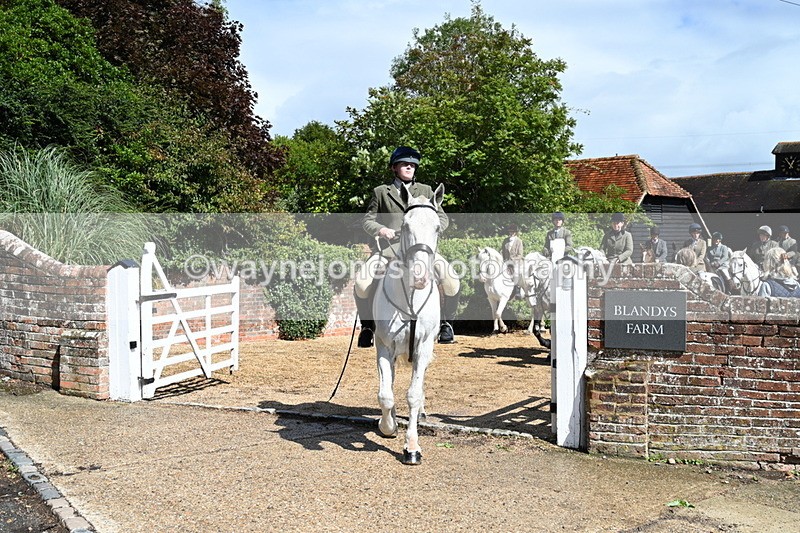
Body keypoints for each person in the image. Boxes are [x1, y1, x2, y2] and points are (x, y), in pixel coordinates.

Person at [354, 146, 460, 348]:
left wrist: (430, 228)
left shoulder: (426, 191)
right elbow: (367, 220)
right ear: (394, 167)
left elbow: (443, 218)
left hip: (422, 249)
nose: (410, 167)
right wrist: (381, 229)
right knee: (361, 283)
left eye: (413, 164)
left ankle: (446, 324)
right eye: (404, 164)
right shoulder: (381, 192)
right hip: (389, 249)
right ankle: (367, 327)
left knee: (452, 281)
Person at [502, 223, 524, 299]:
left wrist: (512, 260)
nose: (511, 233)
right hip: (507, 262)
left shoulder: (519, 241)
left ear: (515, 233)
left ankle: (517, 291)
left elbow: (520, 254)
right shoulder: (505, 241)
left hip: (516, 262)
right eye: (510, 232)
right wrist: (504, 260)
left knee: (516, 272)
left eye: (513, 232)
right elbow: (503, 252)